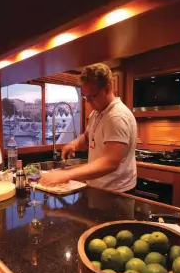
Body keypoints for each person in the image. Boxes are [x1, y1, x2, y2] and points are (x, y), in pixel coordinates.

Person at [39, 63, 137, 193]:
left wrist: (66, 174)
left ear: (107, 88)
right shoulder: (97, 113)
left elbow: (110, 162)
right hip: (99, 188)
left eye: (92, 96)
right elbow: (87, 137)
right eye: (86, 96)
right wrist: (74, 144)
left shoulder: (117, 116)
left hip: (117, 191)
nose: (88, 101)